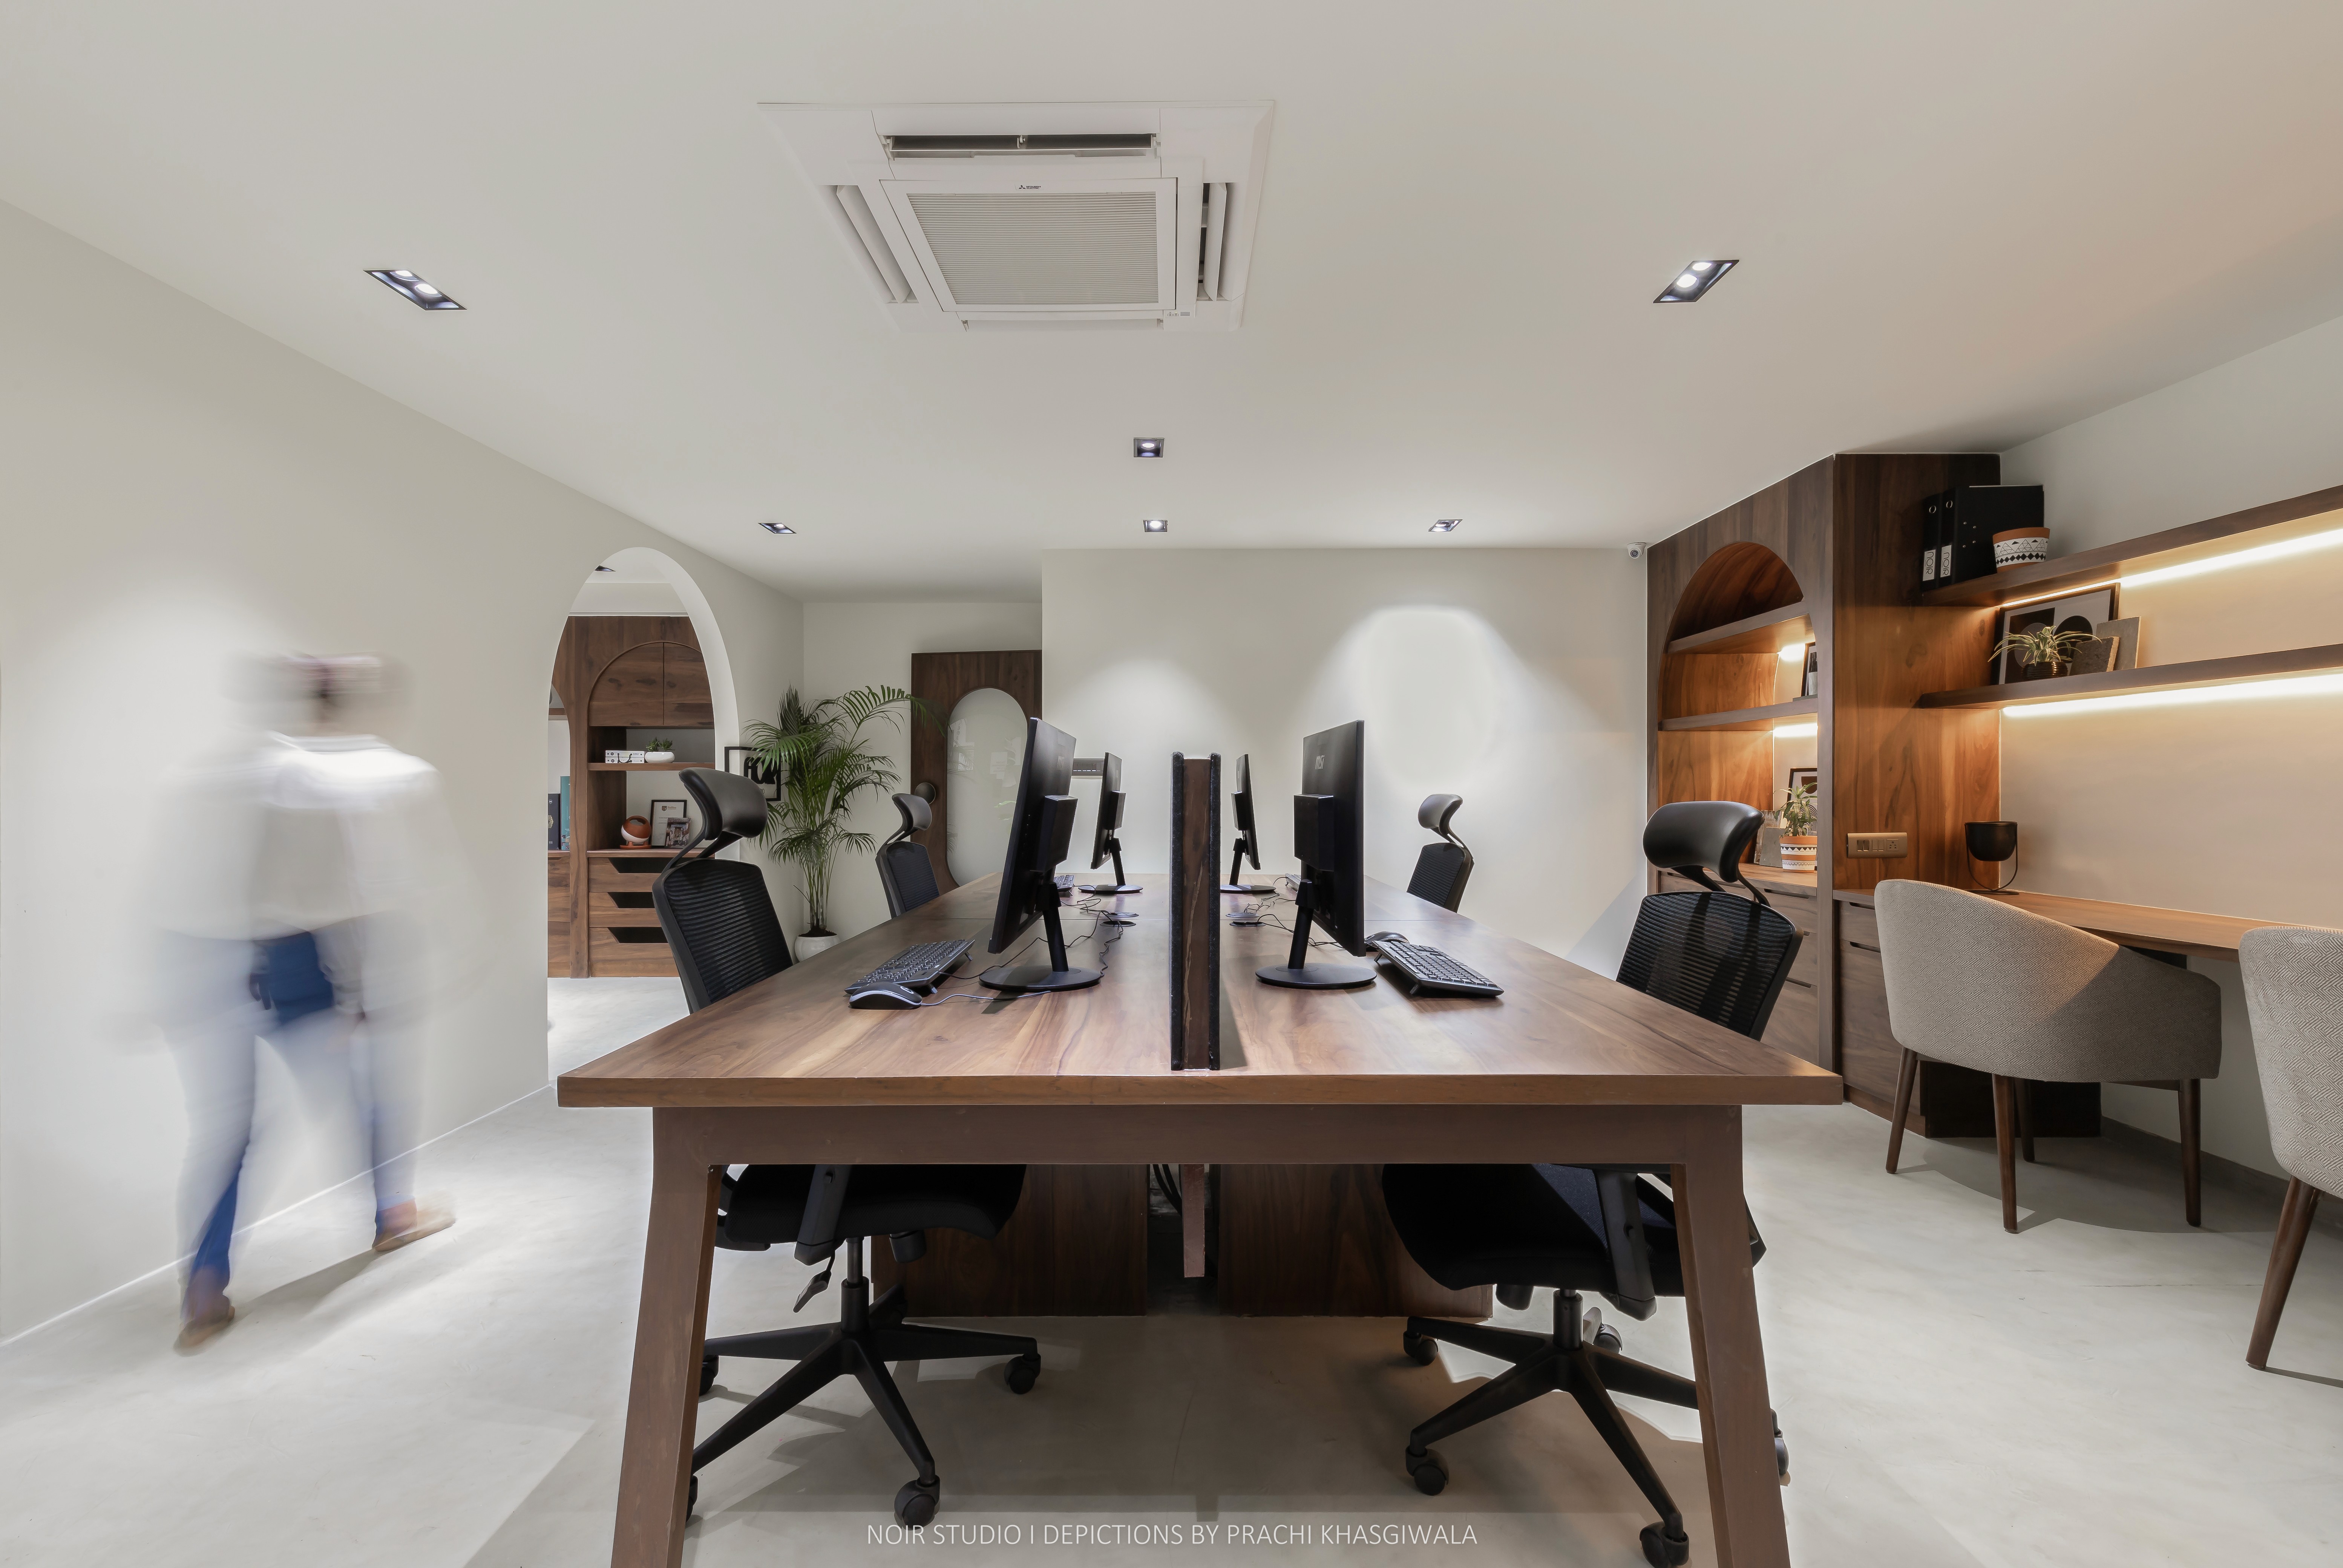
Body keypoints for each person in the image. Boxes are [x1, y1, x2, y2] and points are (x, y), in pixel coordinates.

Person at [158, 656, 461, 1349]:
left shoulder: (202, 777)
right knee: (365, 1092)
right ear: (325, 708)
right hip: (291, 957)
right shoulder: (316, 782)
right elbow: (338, 897)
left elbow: (170, 883)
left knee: (228, 1131)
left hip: (202, 957)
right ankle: (394, 1214)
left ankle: (204, 1288)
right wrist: (355, 994)